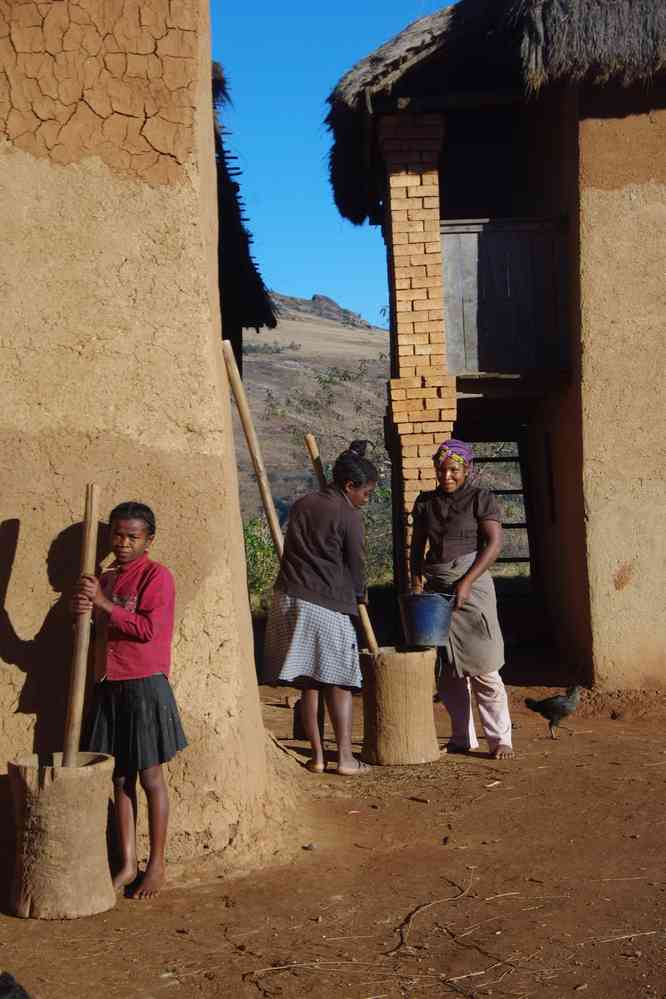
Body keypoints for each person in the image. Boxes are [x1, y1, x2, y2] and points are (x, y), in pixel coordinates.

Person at [71, 501, 187, 899]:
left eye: (132, 537)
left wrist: (101, 603)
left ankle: (157, 865)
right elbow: (101, 627)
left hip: (144, 685)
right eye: (117, 535)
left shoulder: (157, 577)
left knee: (150, 777)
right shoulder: (106, 578)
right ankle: (126, 863)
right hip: (110, 682)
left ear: (148, 540)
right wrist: (86, 611)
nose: (122, 543)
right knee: (120, 777)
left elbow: (148, 630)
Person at [263, 443, 377, 775]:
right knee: (339, 683)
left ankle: (316, 757)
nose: (367, 499)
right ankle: (344, 759)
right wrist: (361, 595)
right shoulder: (348, 516)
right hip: (324, 605)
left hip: (288, 599)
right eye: (366, 493)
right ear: (349, 486)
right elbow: (356, 564)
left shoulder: (302, 504)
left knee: (309, 683)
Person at [410, 440, 514, 760]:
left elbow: (494, 544)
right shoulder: (425, 502)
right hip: (437, 591)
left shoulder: (480, 499)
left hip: (473, 588)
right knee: (448, 671)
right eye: (441, 469)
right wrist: (416, 581)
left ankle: (500, 740)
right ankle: (461, 738)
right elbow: (417, 547)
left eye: (454, 469)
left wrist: (466, 582)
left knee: (484, 667)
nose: (447, 476)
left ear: (466, 469)